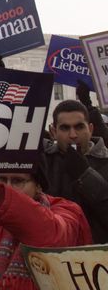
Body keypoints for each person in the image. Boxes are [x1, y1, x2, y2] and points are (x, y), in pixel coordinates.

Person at [0, 155, 93, 290]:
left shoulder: (68, 211)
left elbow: (53, 238)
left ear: (38, 186)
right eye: (2, 179)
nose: (8, 188)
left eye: (17, 181)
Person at [43, 99, 108, 244]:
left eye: (79, 127)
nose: (73, 135)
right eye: (65, 128)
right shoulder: (44, 162)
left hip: (97, 257)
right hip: (53, 255)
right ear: (53, 131)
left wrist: (85, 175)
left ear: (90, 129)